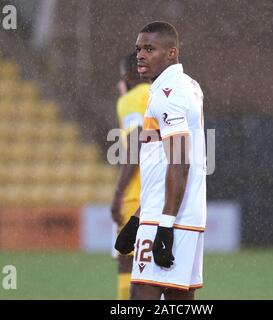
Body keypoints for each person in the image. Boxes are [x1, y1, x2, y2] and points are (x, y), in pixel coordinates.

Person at [115, 21, 206, 300]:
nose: (141, 55)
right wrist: (138, 216)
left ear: (171, 53)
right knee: (180, 299)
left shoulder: (169, 96)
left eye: (150, 49)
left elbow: (179, 162)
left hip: (168, 217)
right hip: (182, 214)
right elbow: (162, 164)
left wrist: (164, 225)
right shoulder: (186, 85)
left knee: (141, 293)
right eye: (139, 49)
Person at [111, 52, 150, 300]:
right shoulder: (164, 96)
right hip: (165, 194)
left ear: (128, 75)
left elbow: (136, 146)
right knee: (159, 267)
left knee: (127, 260)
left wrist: (118, 194)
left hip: (136, 195)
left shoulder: (130, 100)